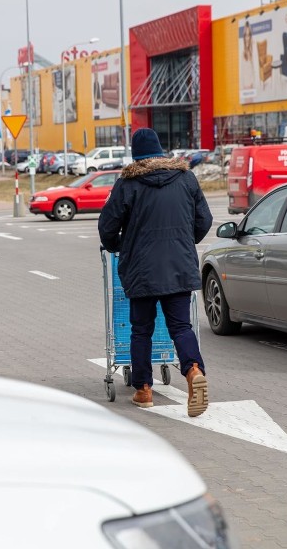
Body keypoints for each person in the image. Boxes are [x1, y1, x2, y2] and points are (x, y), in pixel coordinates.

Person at [99, 128, 214, 417]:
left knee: (142, 330)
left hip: (142, 270)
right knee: (181, 327)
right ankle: (193, 370)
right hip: (179, 266)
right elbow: (205, 219)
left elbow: (107, 226)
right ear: (161, 151)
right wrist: (186, 243)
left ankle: (144, 390)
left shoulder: (128, 184)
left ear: (135, 155)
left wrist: (119, 246)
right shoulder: (186, 178)